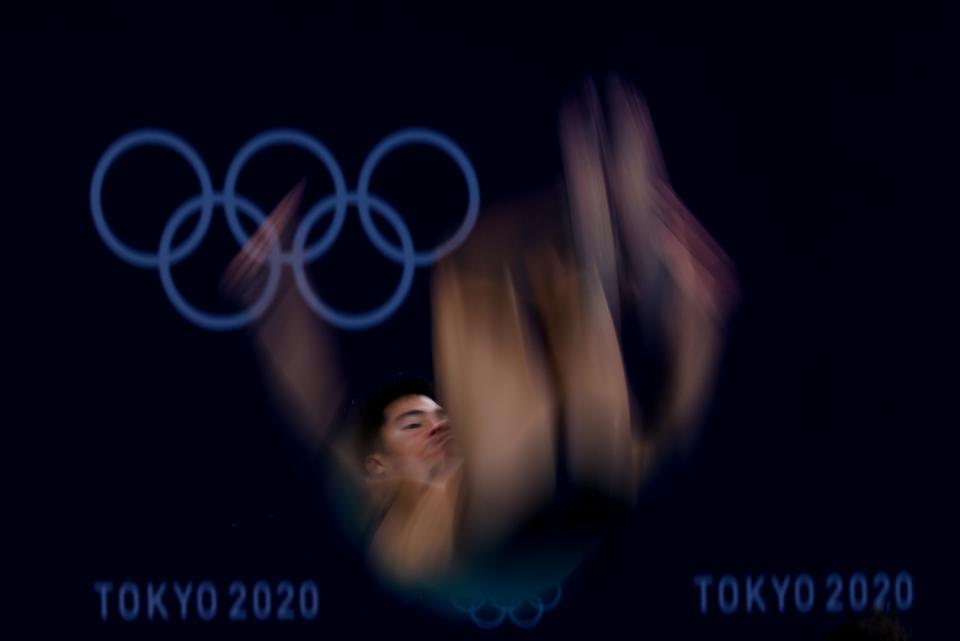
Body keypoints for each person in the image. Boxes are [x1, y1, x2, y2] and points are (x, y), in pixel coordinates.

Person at [221, 75, 737, 590]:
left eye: (434, 416)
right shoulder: (381, 511)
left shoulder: (475, 461)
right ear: (376, 464)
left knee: (572, 379)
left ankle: (600, 268)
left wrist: (698, 327)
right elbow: (315, 409)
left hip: (577, 498)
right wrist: (274, 302)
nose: (436, 427)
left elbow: (662, 445)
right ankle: (598, 268)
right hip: (502, 524)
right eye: (411, 425)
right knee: (474, 269)